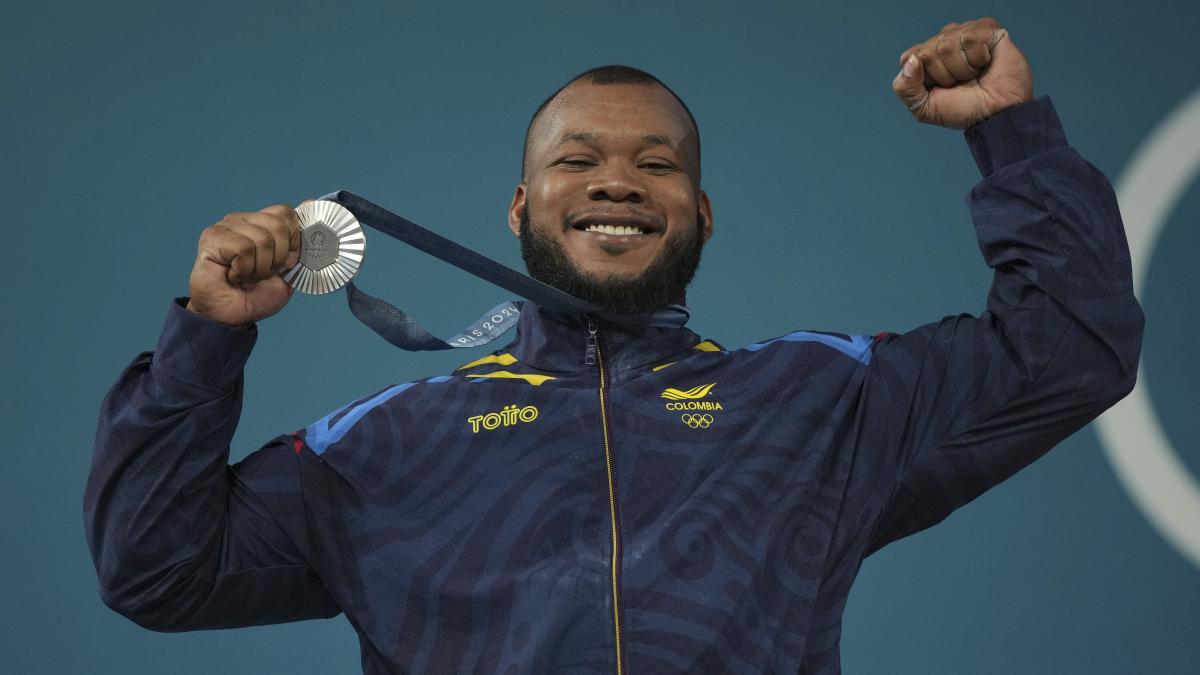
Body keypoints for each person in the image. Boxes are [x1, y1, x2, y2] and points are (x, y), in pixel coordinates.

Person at [84, 17, 1144, 674]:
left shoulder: (823, 401)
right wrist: (203, 345)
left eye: (658, 164)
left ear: (703, 212)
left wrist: (1010, 131)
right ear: (518, 207)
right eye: (576, 159)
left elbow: (1073, 345)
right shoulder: (385, 447)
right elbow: (156, 571)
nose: (616, 181)